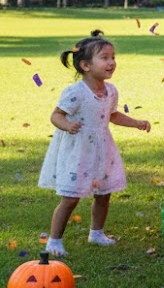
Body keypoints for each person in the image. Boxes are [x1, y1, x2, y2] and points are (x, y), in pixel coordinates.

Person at [38, 30, 151, 256]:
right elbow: (56, 115)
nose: (112, 62)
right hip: (78, 151)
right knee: (70, 198)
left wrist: (136, 123)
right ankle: (54, 241)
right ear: (86, 65)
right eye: (105, 58)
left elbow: (113, 115)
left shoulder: (110, 91)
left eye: (113, 57)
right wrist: (67, 125)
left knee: (104, 193)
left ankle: (96, 233)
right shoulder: (76, 92)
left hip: (102, 150)